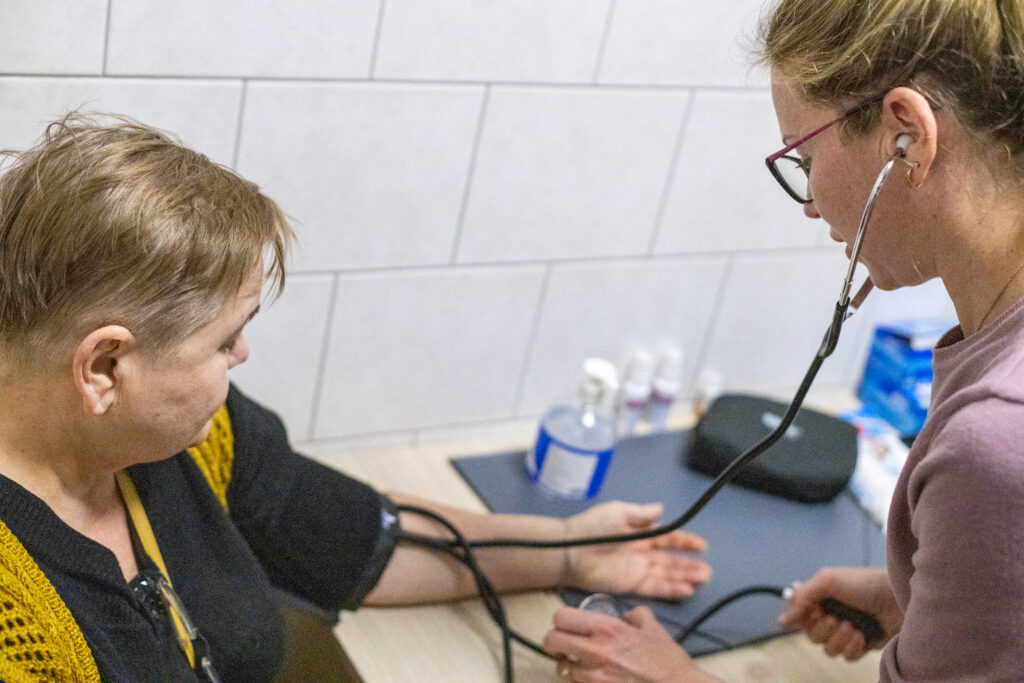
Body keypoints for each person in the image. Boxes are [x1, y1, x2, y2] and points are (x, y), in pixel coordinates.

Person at [0, 113, 713, 682]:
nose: (242, 356)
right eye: (223, 342)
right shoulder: (16, 625)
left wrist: (568, 550)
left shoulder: (178, 438)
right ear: (105, 366)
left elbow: (357, 540)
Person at [542, 0, 1024, 680]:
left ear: (906, 137)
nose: (810, 203)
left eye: (804, 159)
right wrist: (927, 600)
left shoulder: (999, 438)